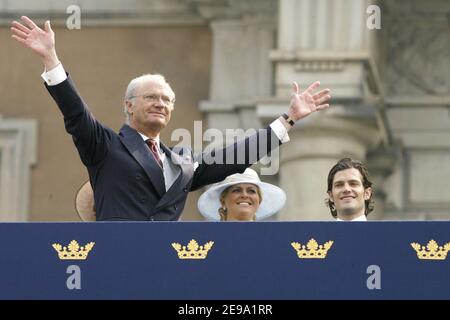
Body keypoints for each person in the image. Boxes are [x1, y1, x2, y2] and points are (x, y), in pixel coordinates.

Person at [11, 16, 331, 221]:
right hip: (117, 263)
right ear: (129, 106)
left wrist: (288, 118)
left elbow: (234, 158)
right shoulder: (105, 147)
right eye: (151, 97)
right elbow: (76, 113)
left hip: (165, 268)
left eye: (166, 100)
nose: (160, 104)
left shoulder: (183, 163)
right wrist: (51, 58)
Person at [197, 168, 286, 221]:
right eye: (237, 190)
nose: (244, 195)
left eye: (251, 191)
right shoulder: (209, 238)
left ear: (259, 201)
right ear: (223, 201)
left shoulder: (271, 238)